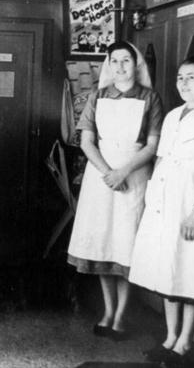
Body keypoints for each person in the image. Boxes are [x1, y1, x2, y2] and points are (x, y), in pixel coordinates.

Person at [129, 56, 194, 367]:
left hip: (192, 203)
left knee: (191, 272)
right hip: (163, 202)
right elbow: (161, 159)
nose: (184, 84)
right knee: (167, 270)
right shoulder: (174, 115)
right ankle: (169, 337)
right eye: (179, 78)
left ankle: (185, 342)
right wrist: (151, 198)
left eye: (191, 77)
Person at [67, 41, 163, 341]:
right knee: (103, 245)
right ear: (109, 64)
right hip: (101, 178)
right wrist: (109, 172)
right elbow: (86, 142)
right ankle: (108, 311)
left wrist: (124, 171)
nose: (121, 67)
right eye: (115, 61)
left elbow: (152, 144)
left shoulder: (150, 98)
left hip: (133, 177)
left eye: (126, 61)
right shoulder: (98, 96)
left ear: (136, 65)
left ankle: (121, 315)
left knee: (125, 245)